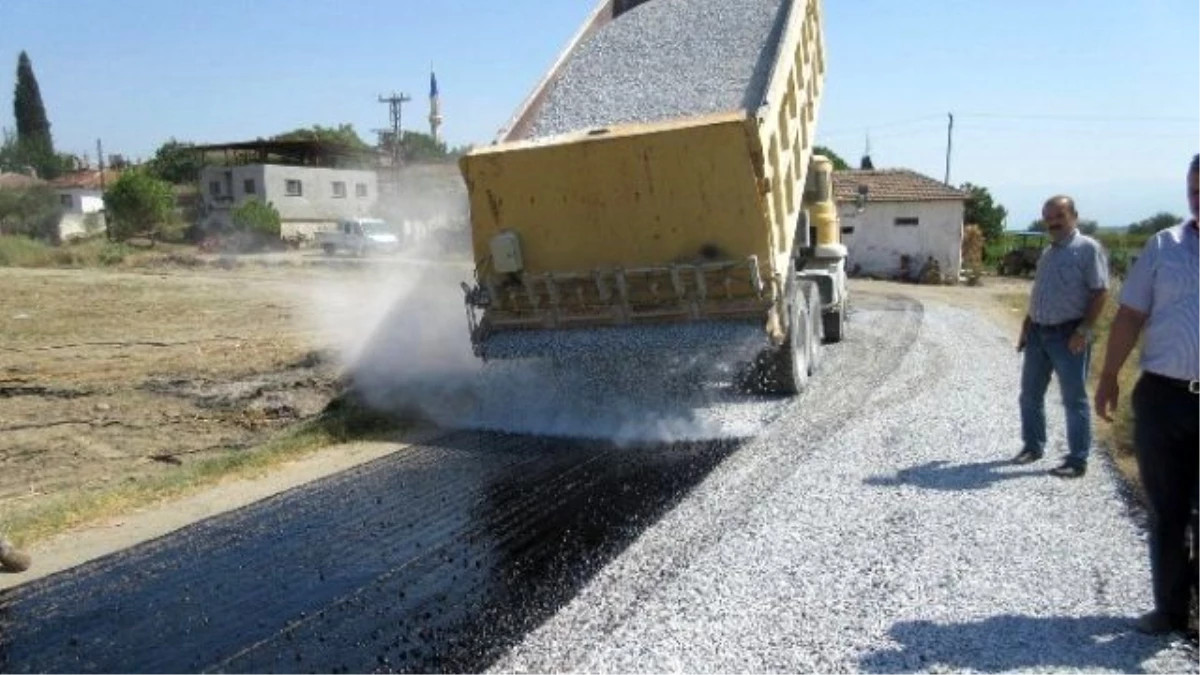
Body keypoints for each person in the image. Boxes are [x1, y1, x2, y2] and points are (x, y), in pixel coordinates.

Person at [1095, 154, 1200, 635]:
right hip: (1163, 399)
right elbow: (1130, 314)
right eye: (1193, 189)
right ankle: (1170, 610)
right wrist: (1109, 374)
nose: (1198, 198)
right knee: (1167, 511)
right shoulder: (1164, 246)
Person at [1014, 195, 1110, 478]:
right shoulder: (1049, 252)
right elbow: (1040, 293)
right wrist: (1026, 326)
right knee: (1029, 395)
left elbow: (1100, 292)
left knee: (1074, 399)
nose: (1053, 222)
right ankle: (1032, 446)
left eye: (1059, 216)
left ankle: (1077, 460)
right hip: (1038, 333)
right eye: (1048, 218)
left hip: (1069, 335)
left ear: (1074, 217)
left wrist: (1083, 331)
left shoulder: (1087, 249)